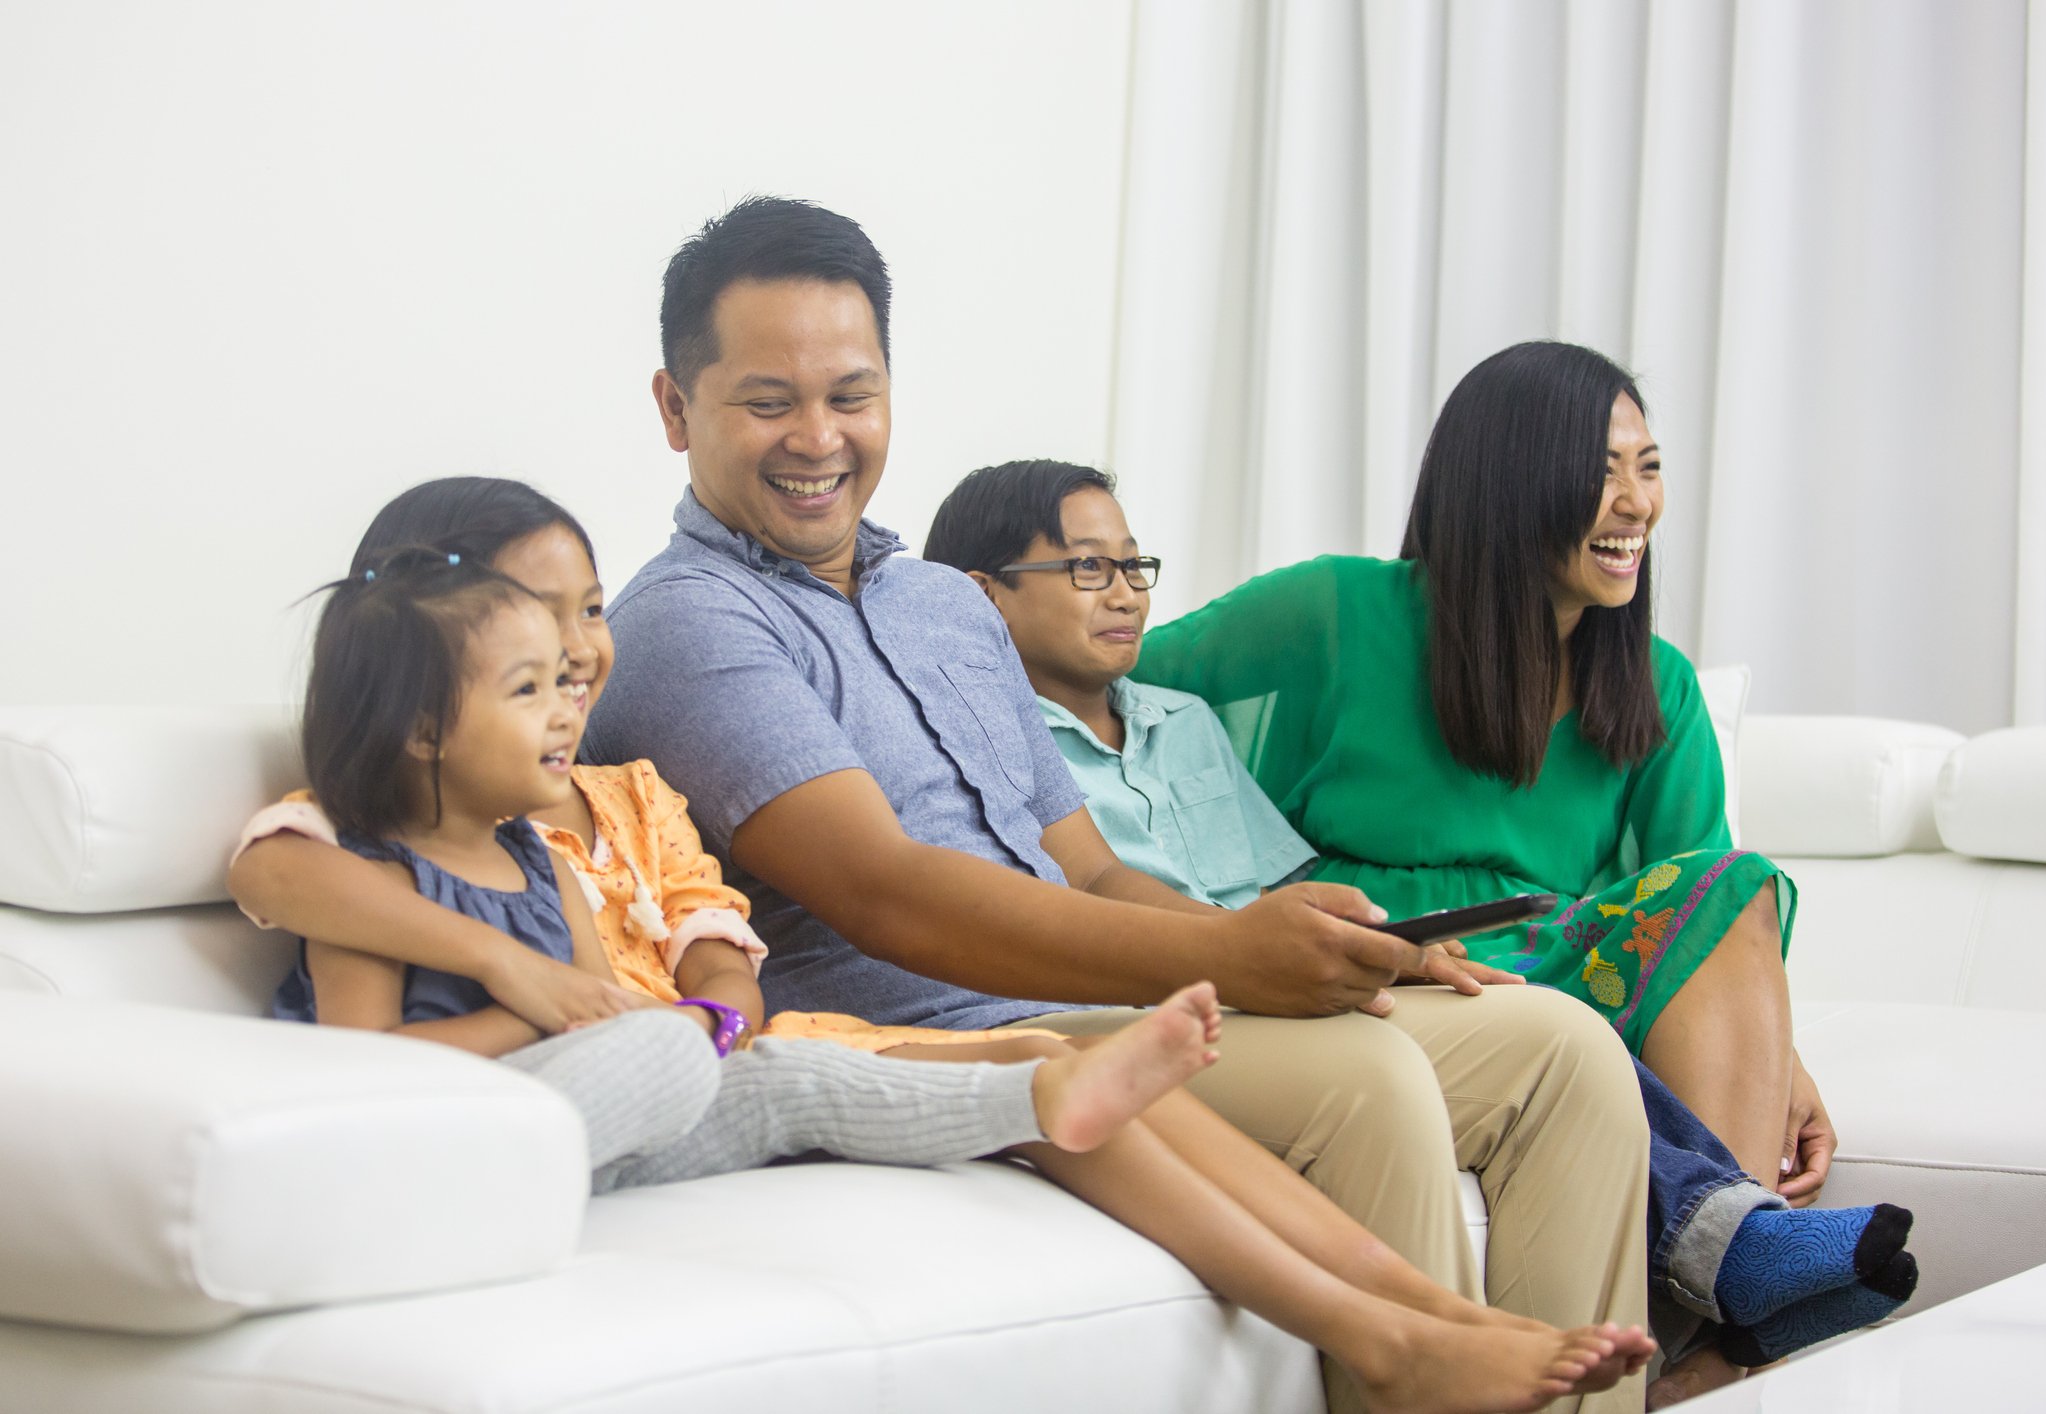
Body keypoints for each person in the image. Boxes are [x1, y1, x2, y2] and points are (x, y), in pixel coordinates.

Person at [583, 195, 1656, 1414]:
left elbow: (1088, 870)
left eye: (852, 393)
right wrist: (1228, 956)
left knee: (1565, 1051)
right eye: (768, 401)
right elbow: (883, 892)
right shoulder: (684, 625)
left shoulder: (944, 602)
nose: (818, 437)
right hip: (958, 1037)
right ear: (676, 410)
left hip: (1112, 999)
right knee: (1365, 1078)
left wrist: (1346, 949)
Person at [255, 521, 1642, 1414]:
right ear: (424, 721)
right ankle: (1377, 1333)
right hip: (602, 1087)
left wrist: (1293, 935)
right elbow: (354, 1035)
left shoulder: (600, 810)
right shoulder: (388, 840)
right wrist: (539, 992)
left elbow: (715, 949)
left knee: (1558, 1050)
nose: (579, 677)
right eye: (532, 667)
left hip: (705, 1062)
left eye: (579, 638)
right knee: (792, 1053)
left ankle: (1434, 1314)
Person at [926, 457, 1922, 1391]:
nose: (1129, 593)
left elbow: (1283, 873)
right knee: (1499, 1027)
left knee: (1540, 1011)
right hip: (1186, 985)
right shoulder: (987, 726)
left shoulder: (1175, 718)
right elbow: (1083, 890)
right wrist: (1263, 950)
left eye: (1136, 567)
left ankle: (1716, 1252)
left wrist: (1378, 938)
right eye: (1090, 568)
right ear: (981, 594)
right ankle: (1722, 1246)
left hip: (1285, 962)